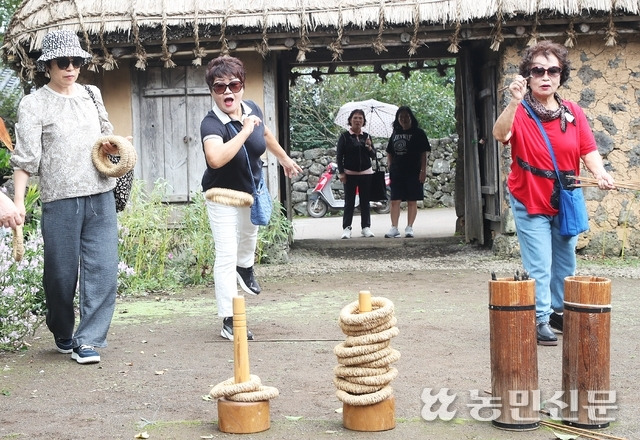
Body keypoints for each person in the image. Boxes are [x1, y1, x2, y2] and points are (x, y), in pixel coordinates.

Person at [11, 29, 123, 364]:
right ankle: (63, 332)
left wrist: (114, 146)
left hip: (100, 195)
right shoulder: (34, 104)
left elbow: (107, 136)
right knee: (60, 277)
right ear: (48, 65)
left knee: (104, 270)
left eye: (76, 61)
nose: (70, 67)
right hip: (59, 202)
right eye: (63, 62)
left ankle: (88, 340)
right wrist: (18, 202)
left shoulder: (92, 94)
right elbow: (26, 159)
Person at [492, 41, 615, 346]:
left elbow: (587, 149)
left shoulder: (572, 110)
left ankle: (559, 311)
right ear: (528, 76)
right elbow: (500, 134)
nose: (545, 76)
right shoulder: (519, 111)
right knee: (539, 261)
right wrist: (513, 102)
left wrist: (599, 173)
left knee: (565, 260)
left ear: (561, 75)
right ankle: (539, 317)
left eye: (553, 70)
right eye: (538, 70)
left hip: (567, 195)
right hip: (529, 194)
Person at [200, 55, 302, 341]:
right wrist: (244, 130)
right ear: (212, 91)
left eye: (234, 84)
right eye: (220, 87)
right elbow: (216, 159)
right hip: (220, 195)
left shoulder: (252, 108)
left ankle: (245, 268)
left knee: (249, 239)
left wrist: (283, 158)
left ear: (242, 86)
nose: (228, 91)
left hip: (250, 192)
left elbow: (265, 133)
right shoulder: (211, 124)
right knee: (226, 253)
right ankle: (230, 319)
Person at [384, 106, 430, 238]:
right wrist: (390, 166)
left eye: (406, 116)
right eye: (401, 117)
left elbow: (423, 153)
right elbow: (389, 152)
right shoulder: (395, 134)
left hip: (413, 171)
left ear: (411, 117)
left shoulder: (419, 133)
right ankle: (394, 227)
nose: (403, 119)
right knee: (394, 200)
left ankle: (409, 227)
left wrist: (423, 170)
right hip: (397, 172)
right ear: (397, 119)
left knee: (412, 200)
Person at [336, 109, 376, 239]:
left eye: (360, 118)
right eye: (355, 118)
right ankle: (346, 228)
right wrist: (341, 172)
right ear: (350, 120)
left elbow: (373, 155)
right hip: (349, 174)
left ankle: (366, 227)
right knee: (349, 201)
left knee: (365, 201)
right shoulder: (344, 137)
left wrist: (369, 147)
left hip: (366, 173)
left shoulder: (367, 136)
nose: (358, 120)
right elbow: (339, 156)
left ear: (364, 121)